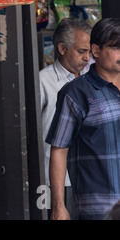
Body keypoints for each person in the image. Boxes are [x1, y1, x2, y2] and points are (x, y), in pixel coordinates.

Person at [46, 18, 120, 220]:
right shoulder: (76, 93)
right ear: (95, 51)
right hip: (99, 208)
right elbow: (59, 150)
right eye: (116, 48)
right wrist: (58, 206)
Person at [39, 18, 91, 219]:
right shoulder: (43, 82)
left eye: (89, 51)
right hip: (56, 182)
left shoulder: (90, 82)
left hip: (88, 178)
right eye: (81, 51)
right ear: (62, 48)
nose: (87, 58)